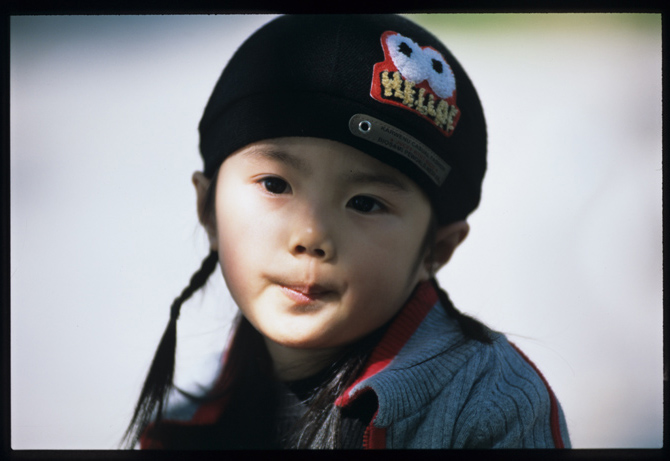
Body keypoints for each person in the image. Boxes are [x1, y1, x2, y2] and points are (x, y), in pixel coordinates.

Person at [123, 14, 571, 449]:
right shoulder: (186, 419)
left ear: (437, 248)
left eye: (365, 203)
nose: (311, 236)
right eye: (276, 185)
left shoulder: (490, 407)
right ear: (207, 207)